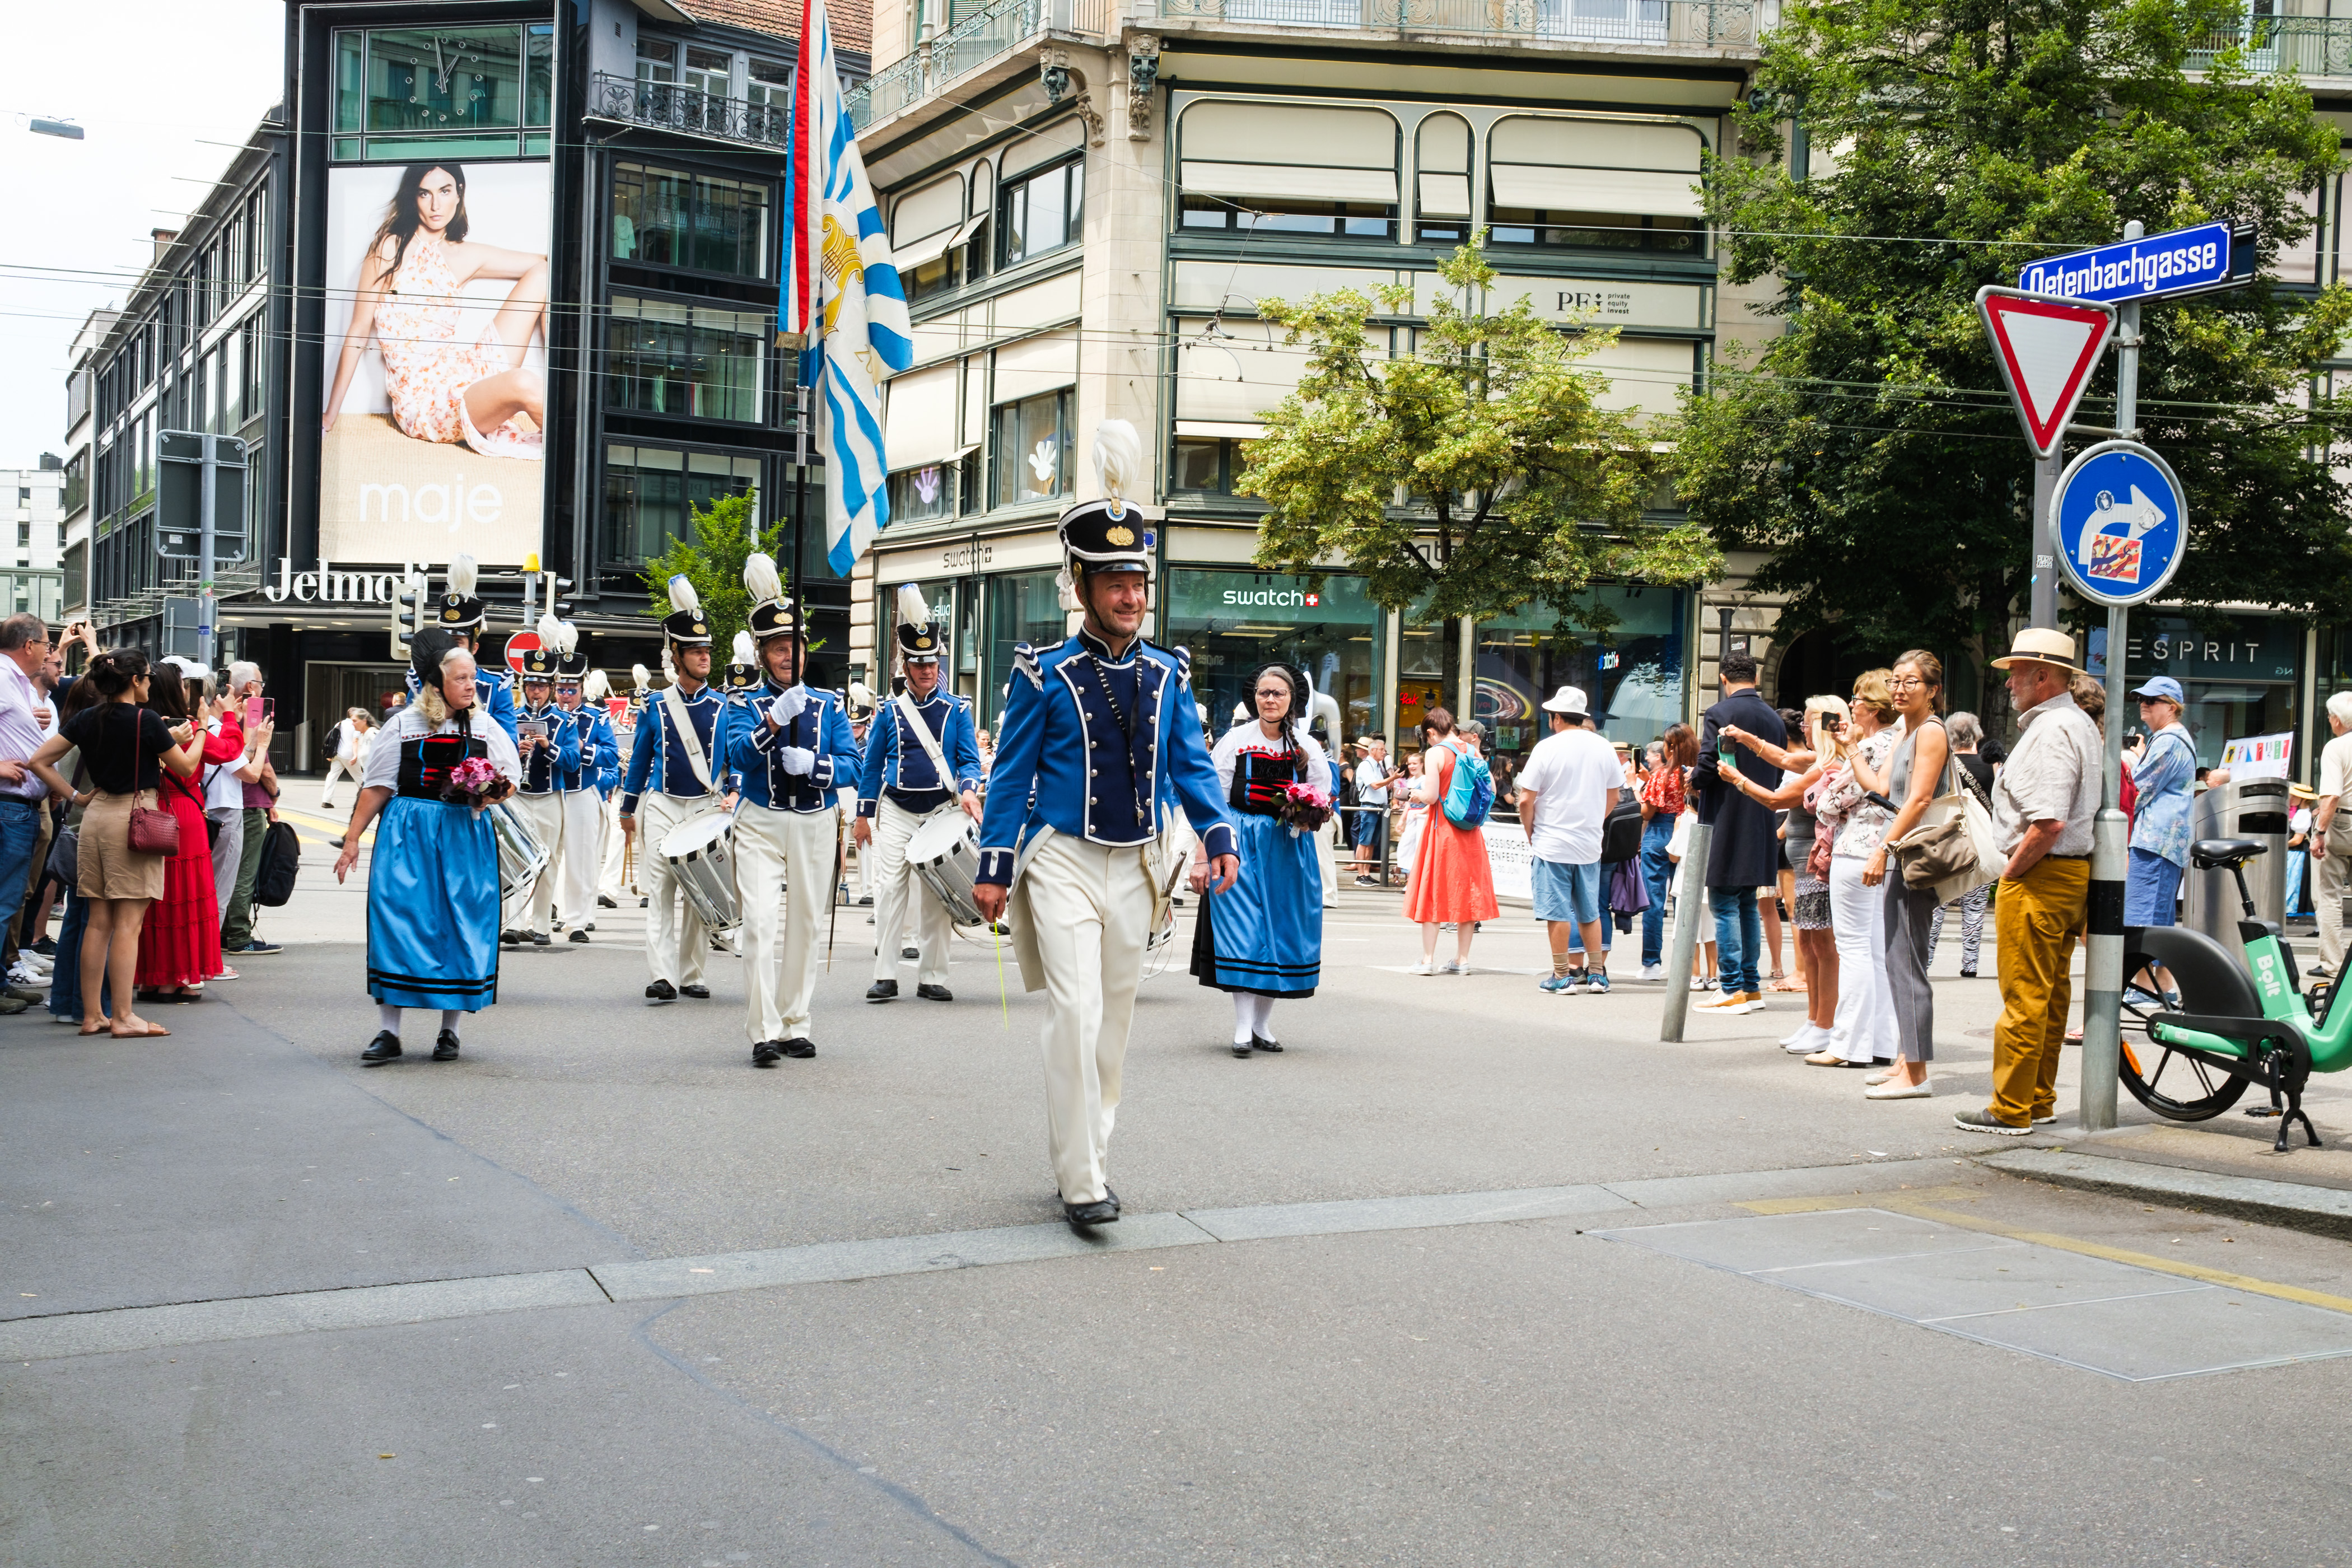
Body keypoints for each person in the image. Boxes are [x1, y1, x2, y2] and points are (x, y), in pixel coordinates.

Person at [970, 422, 1239, 1228]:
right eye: (1114, 581)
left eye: (1139, 580)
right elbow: (1011, 774)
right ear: (1080, 585)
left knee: (1114, 1025)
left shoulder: (1167, 673)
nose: (1131, 596)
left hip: (1141, 867)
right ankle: (1082, 1178)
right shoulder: (1041, 675)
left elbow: (1192, 766)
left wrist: (1217, 834)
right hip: (1060, 861)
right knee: (1076, 1013)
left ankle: (1091, 1150)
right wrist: (994, 864)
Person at [334, 631, 523, 1065]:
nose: (471, 686)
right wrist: (351, 840)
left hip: (463, 834)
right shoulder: (402, 725)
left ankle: (449, 1031)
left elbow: (510, 780)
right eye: (462, 679)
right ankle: (389, 1031)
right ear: (438, 684)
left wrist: (489, 793)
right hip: (409, 831)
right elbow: (377, 787)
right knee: (398, 917)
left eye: (473, 678)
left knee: (462, 922)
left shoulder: (486, 726)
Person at [1958, 628, 2101, 1135]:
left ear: (2043, 676)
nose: (2009, 683)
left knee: (2026, 996)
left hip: (2043, 874)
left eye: (2016, 672)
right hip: (2066, 873)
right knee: (2050, 994)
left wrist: (2014, 870)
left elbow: (2048, 822)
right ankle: (2036, 1099)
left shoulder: (2052, 728)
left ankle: (2011, 1107)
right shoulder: (2075, 723)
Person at [722, 553, 860, 1064]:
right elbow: (736, 756)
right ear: (761, 654)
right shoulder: (742, 704)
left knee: (805, 922)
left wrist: (818, 766)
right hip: (760, 820)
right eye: (778, 648)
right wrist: (773, 724)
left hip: (816, 822)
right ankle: (762, 1030)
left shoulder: (830, 704)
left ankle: (795, 1022)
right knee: (758, 924)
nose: (788, 657)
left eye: (794, 647)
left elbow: (853, 765)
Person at [321, 161, 548, 460]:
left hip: (466, 371)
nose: (435, 205)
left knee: (545, 274)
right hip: (427, 403)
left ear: (459, 193)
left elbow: (545, 262)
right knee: (523, 381)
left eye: (444, 191)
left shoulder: (463, 254)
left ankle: (571, 384)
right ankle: (582, 444)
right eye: (424, 194)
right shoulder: (389, 249)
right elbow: (358, 331)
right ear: (413, 198)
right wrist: (330, 414)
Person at [31, 648, 195, 1039]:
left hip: (95, 817)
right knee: (128, 924)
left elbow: (40, 761)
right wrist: (198, 734)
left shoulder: (88, 718)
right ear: (136, 681)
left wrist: (75, 797)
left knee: (98, 922)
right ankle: (123, 1016)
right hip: (133, 818)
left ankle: (93, 1015)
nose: (151, 684)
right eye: (148, 678)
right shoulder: (148, 720)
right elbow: (186, 769)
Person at [1191, 662, 1331, 1054]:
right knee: (1244, 929)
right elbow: (1212, 797)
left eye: (1278, 694)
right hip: (1240, 842)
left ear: (1292, 700)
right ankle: (1241, 1027)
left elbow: (1322, 796)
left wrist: (1307, 813)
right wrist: (1205, 852)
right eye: (1264, 693)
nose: (1270, 700)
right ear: (1254, 698)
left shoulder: (1306, 746)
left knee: (1281, 930)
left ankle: (1262, 1026)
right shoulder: (1235, 740)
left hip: (1289, 846)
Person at [855, 584, 983, 1004]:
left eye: (932, 663)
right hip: (896, 810)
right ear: (906, 667)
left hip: (939, 812)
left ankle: (932, 976)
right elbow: (872, 766)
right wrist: (862, 815)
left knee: (935, 897)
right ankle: (885, 974)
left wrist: (968, 790)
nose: (928, 670)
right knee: (891, 890)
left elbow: (968, 760)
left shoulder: (957, 710)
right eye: (919, 664)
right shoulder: (889, 712)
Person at [619, 578, 727, 1002]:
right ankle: (662, 975)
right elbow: (643, 759)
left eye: (707, 650)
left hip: (705, 805)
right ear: (677, 656)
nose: (705, 657)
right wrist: (628, 808)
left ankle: (692, 973)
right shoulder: (657, 705)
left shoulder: (722, 706)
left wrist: (733, 791)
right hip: (663, 803)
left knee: (699, 888)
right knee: (661, 889)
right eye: (697, 651)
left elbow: (734, 760)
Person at [1850, 651, 1951, 1100]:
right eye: (1896, 681)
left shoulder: (1930, 732)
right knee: (1896, 959)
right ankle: (1903, 1062)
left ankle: (1917, 1073)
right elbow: (1880, 789)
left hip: (1913, 856)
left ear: (1932, 691)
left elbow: (1920, 800)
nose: (1900, 689)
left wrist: (1882, 850)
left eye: (1912, 682)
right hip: (1902, 853)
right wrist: (1852, 748)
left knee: (1906, 962)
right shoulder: (1906, 733)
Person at [1718, 697, 1844, 1054]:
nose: (1801, 728)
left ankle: (1825, 1023)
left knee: (1822, 946)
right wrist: (1744, 737)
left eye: (1807, 722)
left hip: (1816, 866)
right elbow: (1784, 758)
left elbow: (1777, 799)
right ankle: (1814, 1020)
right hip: (1805, 863)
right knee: (1808, 943)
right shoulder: (1817, 759)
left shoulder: (1831, 761)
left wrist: (1737, 779)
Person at [1806, 673, 1901, 1066]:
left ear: (1875, 708)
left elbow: (1829, 800)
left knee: (1855, 949)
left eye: (1858, 698)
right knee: (1876, 950)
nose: (1853, 705)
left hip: (1857, 848)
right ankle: (1880, 1042)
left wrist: (1848, 759)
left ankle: (1848, 1043)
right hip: (1887, 850)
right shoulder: (1902, 741)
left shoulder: (1874, 746)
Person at [1690, 650, 1786, 1014]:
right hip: (1762, 815)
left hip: (1728, 815)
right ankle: (1750, 985)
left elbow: (1708, 767)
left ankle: (1730, 987)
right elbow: (1778, 773)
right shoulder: (1774, 719)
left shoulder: (1720, 713)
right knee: (1748, 902)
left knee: (1724, 901)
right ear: (1757, 679)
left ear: (1723, 678)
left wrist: (1693, 780)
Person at [132, 662, 233, 1004]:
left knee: (151, 900)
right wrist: (226, 718)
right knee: (187, 898)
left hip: (147, 814)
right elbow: (229, 752)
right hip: (184, 817)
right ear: (177, 691)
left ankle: (149, 978)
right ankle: (181, 979)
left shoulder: (139, 724)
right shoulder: (189, 728)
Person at [1516, 685, 1624, 995]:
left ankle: (1562, 974)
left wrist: (1530, 829)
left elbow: (1526, 799)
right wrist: (1593, 821)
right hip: (1589, 843)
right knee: (1590, 911)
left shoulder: (1547, 748)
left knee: (1557, 911)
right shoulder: (1603, 746)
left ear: (1557, 718)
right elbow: (1614, 794)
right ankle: (1598, 974)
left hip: (1552, 840)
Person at [1402, 708, 1500, 974]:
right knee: (1468, 892)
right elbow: (1491, 787)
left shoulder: (1436, 752)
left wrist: (1414, 793)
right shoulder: (1471, 750)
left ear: (1431, 732)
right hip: (1470, 832)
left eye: (1427, 737)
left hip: (1442, 831)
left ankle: (1427, 960)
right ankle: (1462, 960)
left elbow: (1432, 796)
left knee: (1434, 890)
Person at [0, 615, 66, 1010]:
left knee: (10, 900)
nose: (50, 652)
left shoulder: (17, 682)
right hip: (9, 807)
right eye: (46, 644)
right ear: (28, 646)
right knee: (4, 901)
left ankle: (2, 980)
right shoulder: (3, 677)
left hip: (20, 808)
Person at [503, 625, 580, 948]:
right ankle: (512, 923)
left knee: (548, 861)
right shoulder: (510, 717)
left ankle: (542, 926)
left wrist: (548, 747)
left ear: (551, 688)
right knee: (513, 858)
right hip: (517, 796)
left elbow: (574, 761)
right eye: (531, 685)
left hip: (550, 797)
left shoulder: (564, 722)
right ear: (524, 686)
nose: (537, 692)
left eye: (542, 686)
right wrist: (515, 749)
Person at [2124, 675, 2196, 995]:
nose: (2143, 703)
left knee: (2142, 919)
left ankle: (2144, 988)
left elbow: (2137, 789)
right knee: (2158, 919)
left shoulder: (2168, 741)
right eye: (2142, 698)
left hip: (2155, 841)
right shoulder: (2171, 738)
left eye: (2151, 700)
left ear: (2171, 707)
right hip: (2165, 842)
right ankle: (2162, 987)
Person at [405, 557, 520, 743]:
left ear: (474, 648)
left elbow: (508, 745)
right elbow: (407, 735)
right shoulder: (420, 682)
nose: (450, 649)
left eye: (458, 642)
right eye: (447, 641)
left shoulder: (497, 686)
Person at [218, 660, 284, 958]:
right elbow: (264, 769)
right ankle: (238, 934)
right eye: (261, 682)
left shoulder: (224, 714)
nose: (262, 687)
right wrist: (275, 793)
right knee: (244, 871)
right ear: (250, 687)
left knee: (225, 872)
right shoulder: (251, 718)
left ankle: (223, 931)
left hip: (228, 802)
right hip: (249, 802)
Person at [552, 633, 617, 943]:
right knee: (548, 857)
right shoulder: (545, 719)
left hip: (582, 792)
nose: (566, 695)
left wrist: (582, 748)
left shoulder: (596, 717)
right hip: (549, 792)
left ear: (581, 689)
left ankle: (576, 921)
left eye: (572, 690)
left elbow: (611, 755)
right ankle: (541, 915)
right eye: (561, 689)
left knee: (581, 859)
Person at [1927, 712, 1995, 976]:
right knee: (1975, 907)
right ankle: (1970, 965)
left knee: (1937, 904)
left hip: (1948, 843)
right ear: (1977, 734)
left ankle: (1926, 959)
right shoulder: (1991, 766)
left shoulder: (1943, 765)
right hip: (1981, 844)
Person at [1639, 725, 1696, 980]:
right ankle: (1690, 966)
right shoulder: (1695, 774)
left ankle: (1652, 964)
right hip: (1689, 832)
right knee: (1686, 900)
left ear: (1669, 746)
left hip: (1660, 831)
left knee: (1654, 901)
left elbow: (1648, 812)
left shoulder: (1661, 776)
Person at [1350, 736, 1391, 885]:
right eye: (1381, 749)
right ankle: (1361, 875)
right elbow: (1374, 785)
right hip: (1370, 807)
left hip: (1379, 808)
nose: (1384, 752)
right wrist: (1390, 779)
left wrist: (1390, 783)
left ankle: (1366, 873)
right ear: (1373, 750)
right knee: (1364, 841)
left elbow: (1380, 786)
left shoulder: (1378, 766)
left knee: (1372, 843)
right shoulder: (1366, 765)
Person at [321, 708, 370, 811]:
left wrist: (330, 754)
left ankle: (326, 801)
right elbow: (355, 741)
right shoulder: (356, 726)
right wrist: (356, 755)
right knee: (359, 777)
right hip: (349, 755)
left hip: (337, 755)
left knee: (332, 776)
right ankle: (367, 800)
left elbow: (333, 739)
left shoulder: (340, 724)